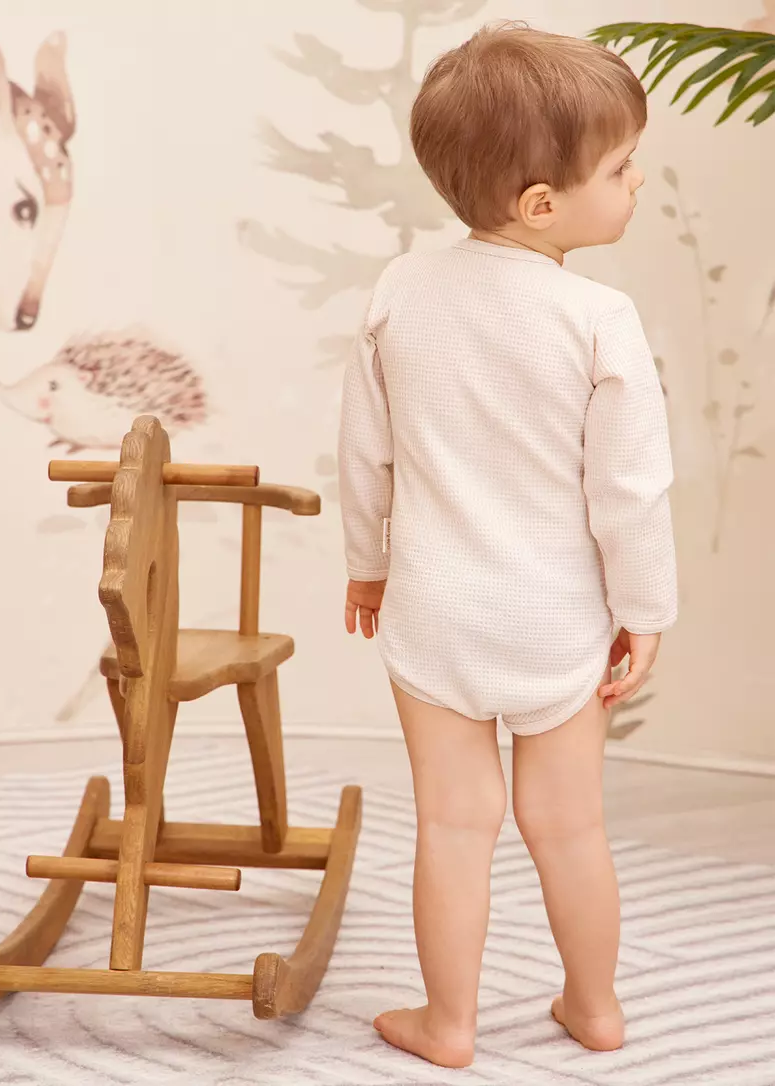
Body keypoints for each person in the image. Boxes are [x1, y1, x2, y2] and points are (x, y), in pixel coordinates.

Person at [337, 22, 677, 1070]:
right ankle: (594, 1007)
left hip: (434, 610)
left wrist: (365, 566)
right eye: (619, 168)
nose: (635, 180)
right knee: (566, 826)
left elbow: (363, 453)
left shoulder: (399, 292)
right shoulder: (599, 318)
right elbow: (628, 492)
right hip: (556, 620)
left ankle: (446, 1024)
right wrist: (643, 611)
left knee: (452, 824)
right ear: (540, 204)